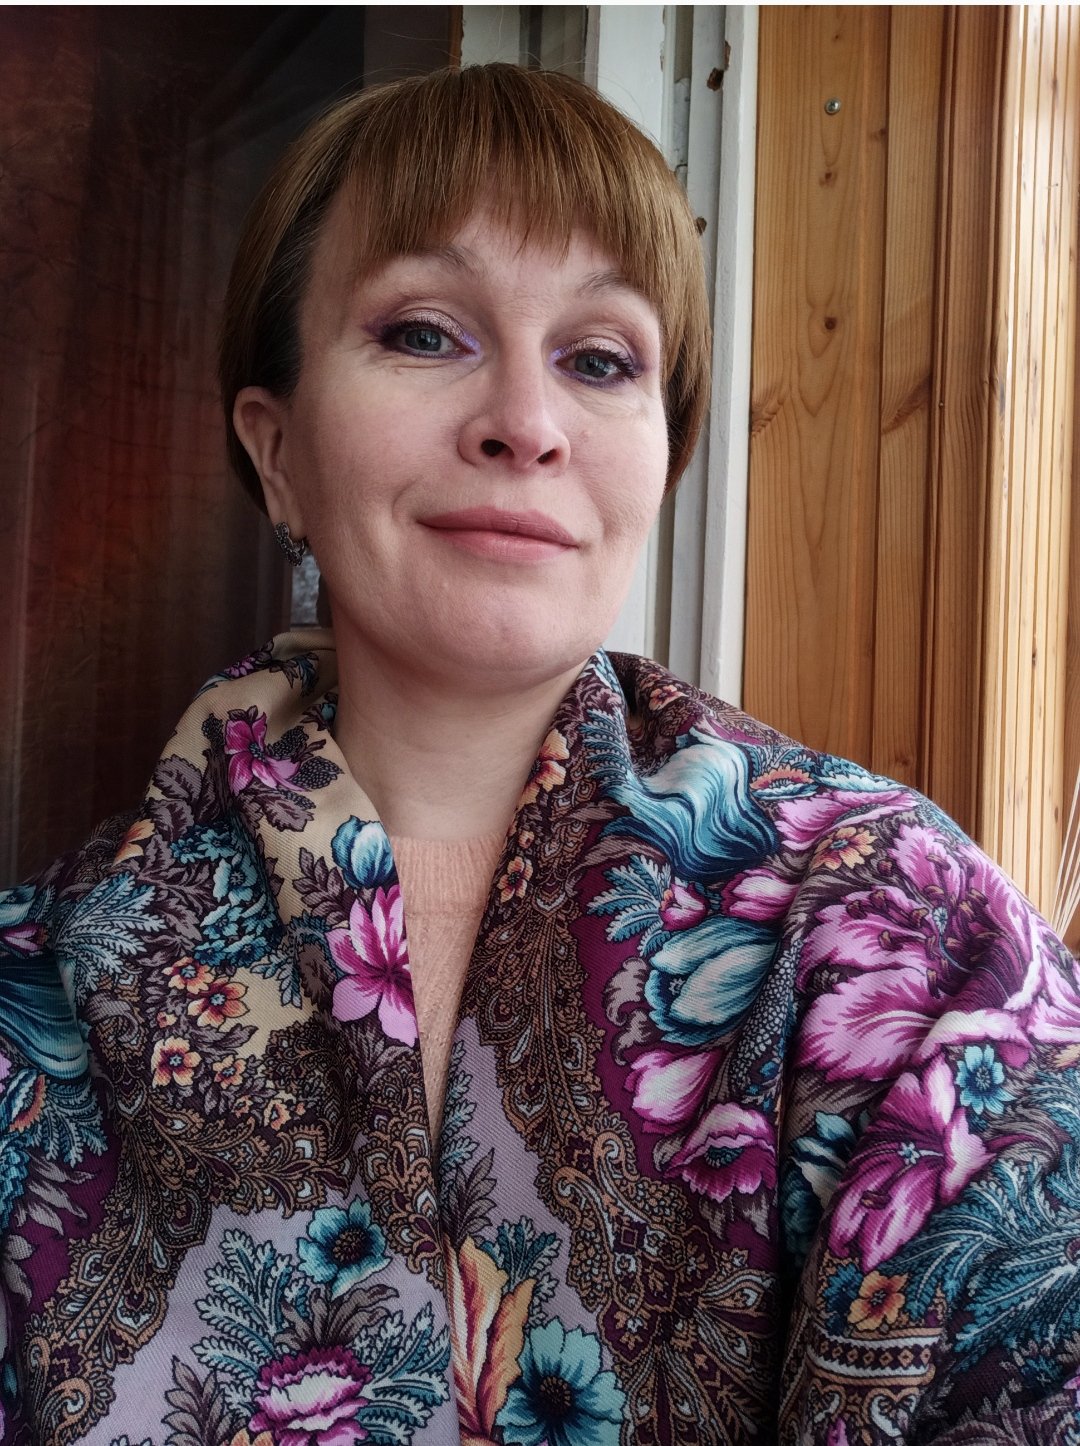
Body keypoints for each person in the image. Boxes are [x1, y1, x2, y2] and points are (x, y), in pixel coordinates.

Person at [1, 62, 1078, 1446]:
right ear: (277, 453)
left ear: (661, 457)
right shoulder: (37, 996)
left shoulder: (900, 938)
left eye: (600, 359)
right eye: (425, 333)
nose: (526, 419)